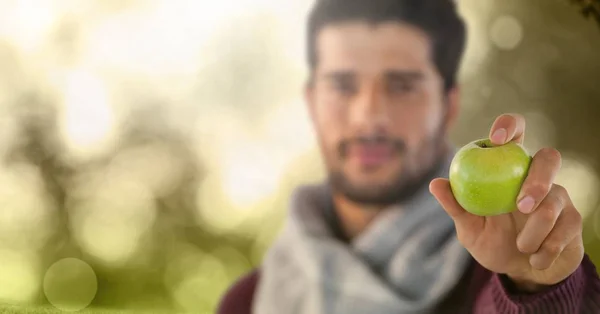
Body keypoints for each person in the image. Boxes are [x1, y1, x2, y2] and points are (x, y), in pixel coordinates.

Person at [218, 0, 600, 313]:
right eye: (342, 85)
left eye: (402, 86)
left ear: (448, 106)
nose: (369, 115)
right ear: (312, 104)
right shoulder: (247, 303)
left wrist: (538, 289)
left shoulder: (509, 266)